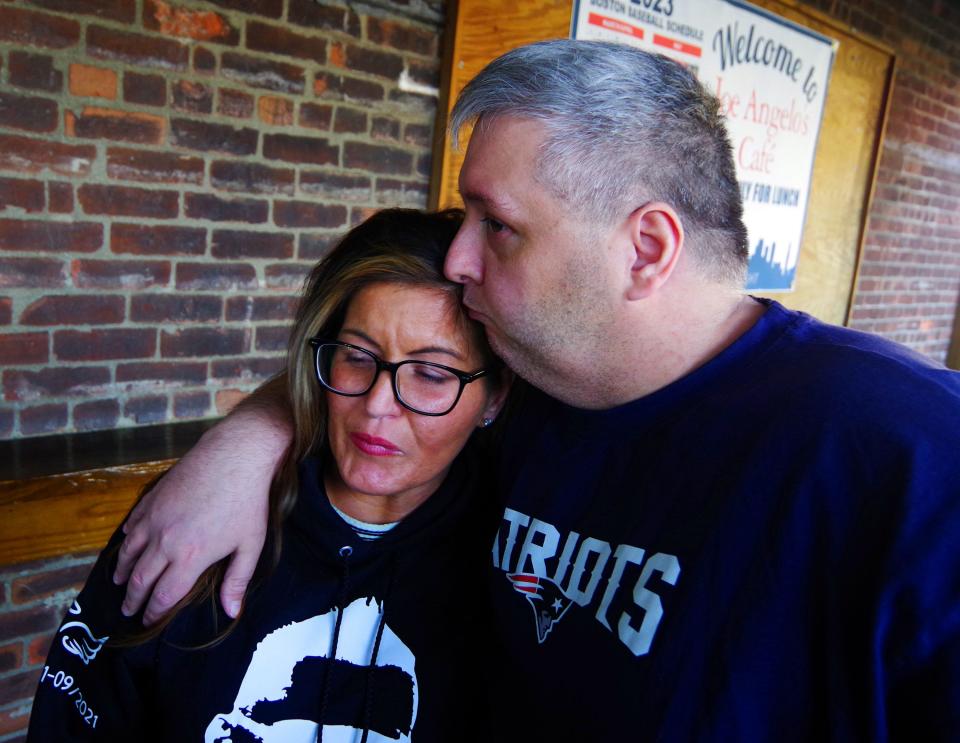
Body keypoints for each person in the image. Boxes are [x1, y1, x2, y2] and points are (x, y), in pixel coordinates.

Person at [115, 40, 960, 739]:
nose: (456, 259)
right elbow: (373, 372)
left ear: (645, 250)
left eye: (499, 225)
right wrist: (244, 442)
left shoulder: (915, 460)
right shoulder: (534, 382)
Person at [28, 208, 509, 741]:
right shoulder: (195, 520)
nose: (377, 405)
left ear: (495, 396)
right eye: (355, 355)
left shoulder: (513, 563)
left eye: (432, 374)